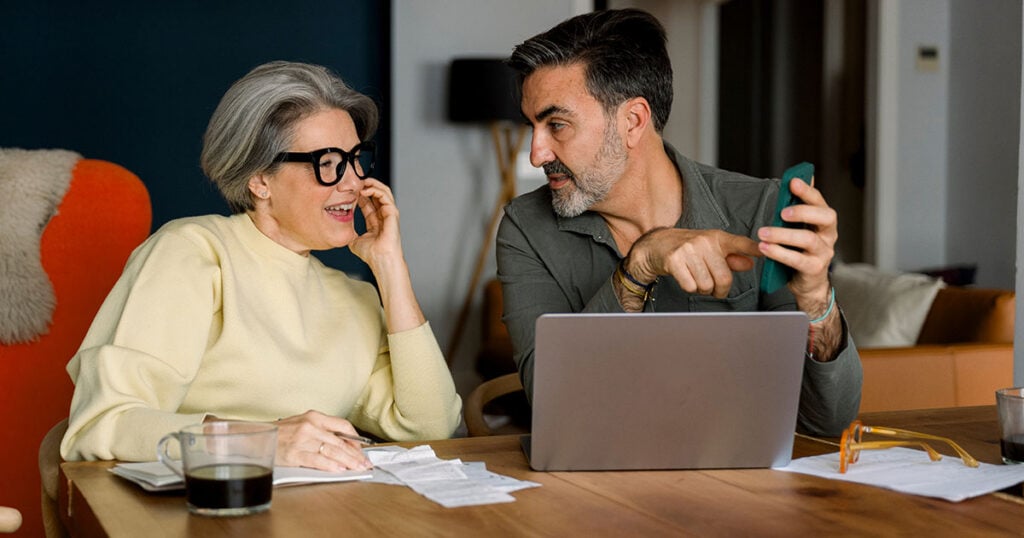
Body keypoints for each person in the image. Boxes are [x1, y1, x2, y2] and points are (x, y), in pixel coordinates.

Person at [61, 61, 461, 471]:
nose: (354, 182)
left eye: (357, 158)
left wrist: (391, 268)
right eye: (328, 162)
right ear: (260, 180)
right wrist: (260, 441)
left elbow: (432, 426)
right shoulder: (194, 252)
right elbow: (104, 423)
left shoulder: (354, 297)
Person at [498, 9, 862, 436]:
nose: (536, 154)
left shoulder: (761, 211)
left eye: (556, 125)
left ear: (632, 121)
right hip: (596, 486)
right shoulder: (525, 229)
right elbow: (555, 405)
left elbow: (829, 422)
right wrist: (640, 266)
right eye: (533, 126)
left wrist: (818, 300)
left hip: (742, 485)